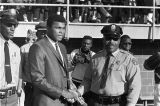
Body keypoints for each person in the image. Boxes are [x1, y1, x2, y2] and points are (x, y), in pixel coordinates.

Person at [75, 24, 141, 106]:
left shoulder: (128, 59)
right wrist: (77, 93)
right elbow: (87, 80)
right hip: (95, 102)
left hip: (117, 103)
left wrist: (130, 104)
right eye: (108, 38)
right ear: (103, 39)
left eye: (115, 39)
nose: (111, 42)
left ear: (119, 40)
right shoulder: (95, 58)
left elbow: (135, 86)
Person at [28, 14, 78, 106]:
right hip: (46, 102)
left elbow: (64, 74)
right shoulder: (38, 47)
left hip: (63, 102)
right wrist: (63, 92)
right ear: (48, 28)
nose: (61, 32)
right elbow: (37, 79)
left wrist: (70, 86)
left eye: (63, 28)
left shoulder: (62, 47)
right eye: (58, 28)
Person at [0, 10, 23, 106]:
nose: (13, 28)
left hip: (12, 98)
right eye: (9, 25)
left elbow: (19, 73)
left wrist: (19, 89)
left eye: (15, 25)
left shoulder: (16, 49)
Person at [20, 29, 37, 106]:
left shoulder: (40, 47)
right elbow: (20, 66)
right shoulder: (24, 48)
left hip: (36, 84)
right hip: (29, 84)